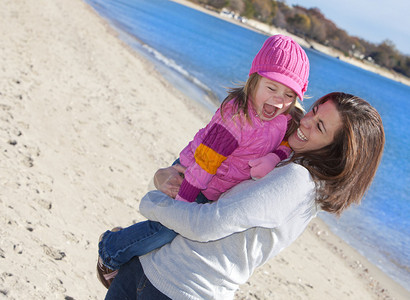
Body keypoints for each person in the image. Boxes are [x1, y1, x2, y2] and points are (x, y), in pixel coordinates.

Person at [104, 92, 385, 299]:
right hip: (157, 267)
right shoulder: (286, 160)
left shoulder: (297, 181)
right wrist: (166, 176)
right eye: (314, 111)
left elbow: (208, 224)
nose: (306, 121)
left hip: (178, 287)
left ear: (337, 152)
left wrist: (153, 203)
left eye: (320, 126)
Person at [97, 34, 310, 285]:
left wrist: (275, 156)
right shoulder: (236, 119)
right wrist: (183, 204)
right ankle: (110, 251)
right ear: (254, 81)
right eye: (271, 87)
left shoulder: (286, 117)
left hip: (218, 184)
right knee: (167, 227)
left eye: (288, 94)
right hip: (196, 174)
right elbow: (205, 163)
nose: (278, 99)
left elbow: (288, 142)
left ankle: (129, 251)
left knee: (175, 235)